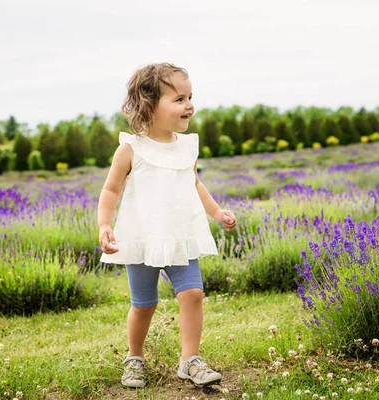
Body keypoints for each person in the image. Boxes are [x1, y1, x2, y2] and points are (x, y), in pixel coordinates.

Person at [97, 62, 237, 388]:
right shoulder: (131, 148)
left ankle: (190, 360)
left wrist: (216, 212)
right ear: (149, 105)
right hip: (142, 239)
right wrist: (104, 225)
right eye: (179, 99)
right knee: (144, 305)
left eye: (190, 97)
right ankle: (135, 358)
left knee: (193, 294)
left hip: (180, 236)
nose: (189, 105)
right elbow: (111, 189)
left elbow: (195, 184)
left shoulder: (187, 147)